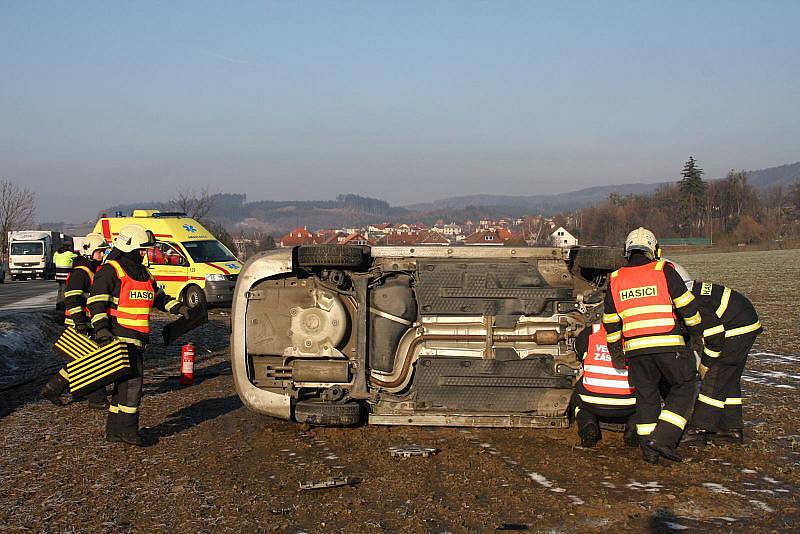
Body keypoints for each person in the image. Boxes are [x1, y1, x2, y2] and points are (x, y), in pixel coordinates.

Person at [602, 228, 725, 464]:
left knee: (646, 399)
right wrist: (696, 335)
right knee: (684, 387)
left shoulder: (615, 279)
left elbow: (611, 322)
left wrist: (617, 353)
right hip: (670, 347)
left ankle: (649, 450)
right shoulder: (663, 270)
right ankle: (664, 439)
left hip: (636, 352)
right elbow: (688, 308)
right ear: (654, 250)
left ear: (626, 252)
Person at [87, 224, 189, 446]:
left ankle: (114, 431)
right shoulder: (111, 271)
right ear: (130, 247)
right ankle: (129, 431)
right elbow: (96, 303)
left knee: (123, 387)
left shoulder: (143, 273)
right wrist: (102, 329)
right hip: (118, 339)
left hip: (138, 339)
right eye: (142, 250)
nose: (145, 254)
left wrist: (180, 308)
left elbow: (158, 298)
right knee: (133, 385)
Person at [681, 281, 762, 446]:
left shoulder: (692, 303)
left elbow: (715, 338)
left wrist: (706, 363)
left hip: (737, 330)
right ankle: (731, 429)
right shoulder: (689, 290)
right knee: (729, 381)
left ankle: (698, 429)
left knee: (714, 378)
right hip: (744, 321)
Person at [41, 233, 110, 408]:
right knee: (92, 360)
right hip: (78, 323)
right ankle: (97, 399)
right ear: (89, 252)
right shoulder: (82, 272)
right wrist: (80, 322)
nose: (102, 256)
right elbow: (72, 298)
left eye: (103, 252)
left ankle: (52, 389)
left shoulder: (90, 270)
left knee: (80, 360)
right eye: (99, 252)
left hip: (85, 322)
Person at [571, 320, 638, 448]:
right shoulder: (637, 333)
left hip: (591, 401)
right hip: (629, 403)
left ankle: (587, 428)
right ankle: (633, 430)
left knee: (577, 394)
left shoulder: (591, 332)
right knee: (647, 394)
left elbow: (579, 354)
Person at [53, 243, 77, 311]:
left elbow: (54, 262)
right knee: (65, 290)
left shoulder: (56, 253)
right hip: (66, 275)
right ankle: (62, 305)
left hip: (58, 274)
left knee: (60, 290)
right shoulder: (69, 254)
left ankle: (58, 304)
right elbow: (77, 258)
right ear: (68, 247)